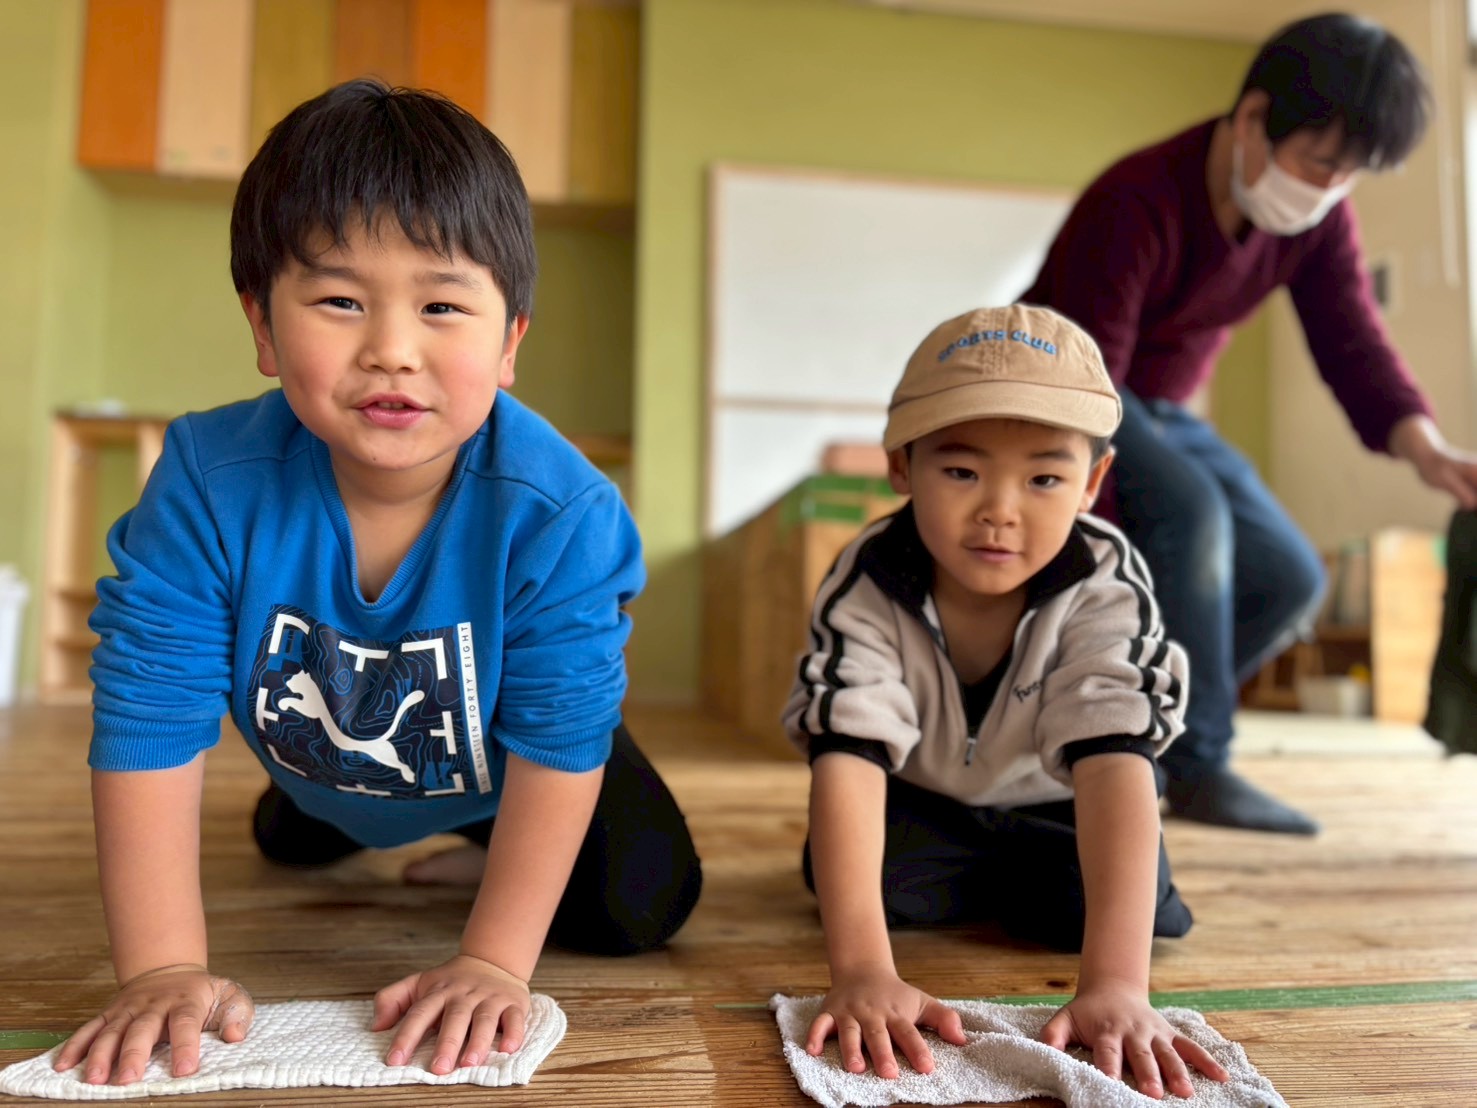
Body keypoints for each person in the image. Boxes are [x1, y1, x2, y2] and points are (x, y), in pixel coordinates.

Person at [54, 79, 702, 1088]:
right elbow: (148, 711)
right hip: (321, 752)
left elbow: (563, 733)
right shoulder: (203, 484)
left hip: (507, 757)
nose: (391, 349)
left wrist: (492, 960)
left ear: (509, 341)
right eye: (339, 300)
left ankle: (451, 832)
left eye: (442, 305)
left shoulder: (559, 512)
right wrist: (163, 968)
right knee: (302, 831)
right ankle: (315, 807)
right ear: (263, 326)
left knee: (642, 901)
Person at [1020, 12, 1477, 835]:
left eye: (1349, 177)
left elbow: (1351, 338)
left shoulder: (1315, 222)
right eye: (1318, 164)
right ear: (1253, 118)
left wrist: (1425, 447)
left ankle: (1146, 731)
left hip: (1161, 408)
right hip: (1070, 395)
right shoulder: (1134, 199)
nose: (1328, 192)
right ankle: (1199, 767)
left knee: (1288, 574)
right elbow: (1085, 390)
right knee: (1192, 515)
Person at [783, 304, 1228, 1099]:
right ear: (900, 466)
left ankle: (1005, 886)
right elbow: (847, 755)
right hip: (925, 803)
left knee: (1134, 911)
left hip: (1059, 806)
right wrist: (861, 971)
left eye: (1044, 478)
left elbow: (1115, 758)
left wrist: (1118, 987)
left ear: (1092, 482)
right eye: (960, 471)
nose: (1000, 509)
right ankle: (973, 880)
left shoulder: (1103, 578)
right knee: (841, 874)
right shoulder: (869, 576)